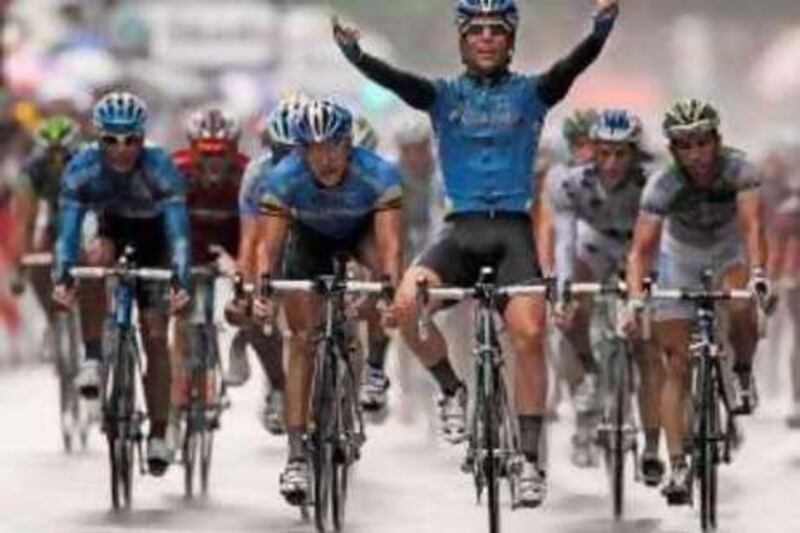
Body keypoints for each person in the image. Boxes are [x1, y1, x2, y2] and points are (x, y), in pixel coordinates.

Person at [334, 0, 619, 507]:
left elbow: (573, 65)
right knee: (403, 308)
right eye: (476, 30)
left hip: (512, 233)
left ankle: (530, 459)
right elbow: (399, 81)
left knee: (530, 335)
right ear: (462, 40)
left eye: (496, 30)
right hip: (459, 233)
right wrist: (355, 55)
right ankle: (452, 390)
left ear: (510, 40)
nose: (486, 38)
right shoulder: (443, 96)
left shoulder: (533, 93)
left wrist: (600, 27)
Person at [250, 98, 402, 506]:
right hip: (309, 241)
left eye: (334, 145)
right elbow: (270, 248)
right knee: (301, 339)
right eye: (314, 148)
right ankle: (297, 455)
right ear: (300, 150)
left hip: (359, 235)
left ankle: (371, 367)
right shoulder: (283, 179)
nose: (326, 157)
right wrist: (265, 287)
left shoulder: (378, 173)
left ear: (349, 143)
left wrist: (389, 289)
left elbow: (389, 245)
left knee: (383, 281)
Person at [624, 98, 770, 503]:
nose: (696, 154)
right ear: (672, 150)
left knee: (742, 304)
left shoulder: (740, 170)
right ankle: (679, 465)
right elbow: (640, 251)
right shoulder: (662, 184)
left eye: (703, 143)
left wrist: (758, 276)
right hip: (680, 258)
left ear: (717, 140)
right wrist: (636, 299)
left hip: (728, 252)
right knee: (676, 363)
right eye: (684, 146)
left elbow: (753, 227)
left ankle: (741, 372)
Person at [52, 91, 192, 475]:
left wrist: (179, 275)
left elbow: (178, 233)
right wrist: (63, 272)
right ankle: (95, 357)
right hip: (113, 230)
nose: (122, 149)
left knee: (155, 333)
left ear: (142, 137)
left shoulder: (160, 166)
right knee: (92, 260)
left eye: (131, 139)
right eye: (111, 140)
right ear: (98, 139)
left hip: (156, 240)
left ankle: (160, 433)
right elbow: (67, 231)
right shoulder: (82, 167)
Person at [549, 109, 660, 477]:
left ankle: (652, 440)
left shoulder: (654, 179)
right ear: (592, 151)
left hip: (641, 249)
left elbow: (667, 239)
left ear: (635, 153)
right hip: (593, 246)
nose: (611, 164)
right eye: (603, 153)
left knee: (648, 336)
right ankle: (589, 374)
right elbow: (564, 241)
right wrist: (563, 290)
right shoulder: (570, 181)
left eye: (621, 154)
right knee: (570, 302)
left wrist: (645, 291)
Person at [227, 97, 307, 434]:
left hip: (314, 246)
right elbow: (250, 239)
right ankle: (277, 385)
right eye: (280, 152)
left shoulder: (329, 171)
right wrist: (245, 287)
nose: (288, 162)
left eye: (297, 153)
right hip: (272, 249)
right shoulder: (257, 174)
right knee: (254, 312)